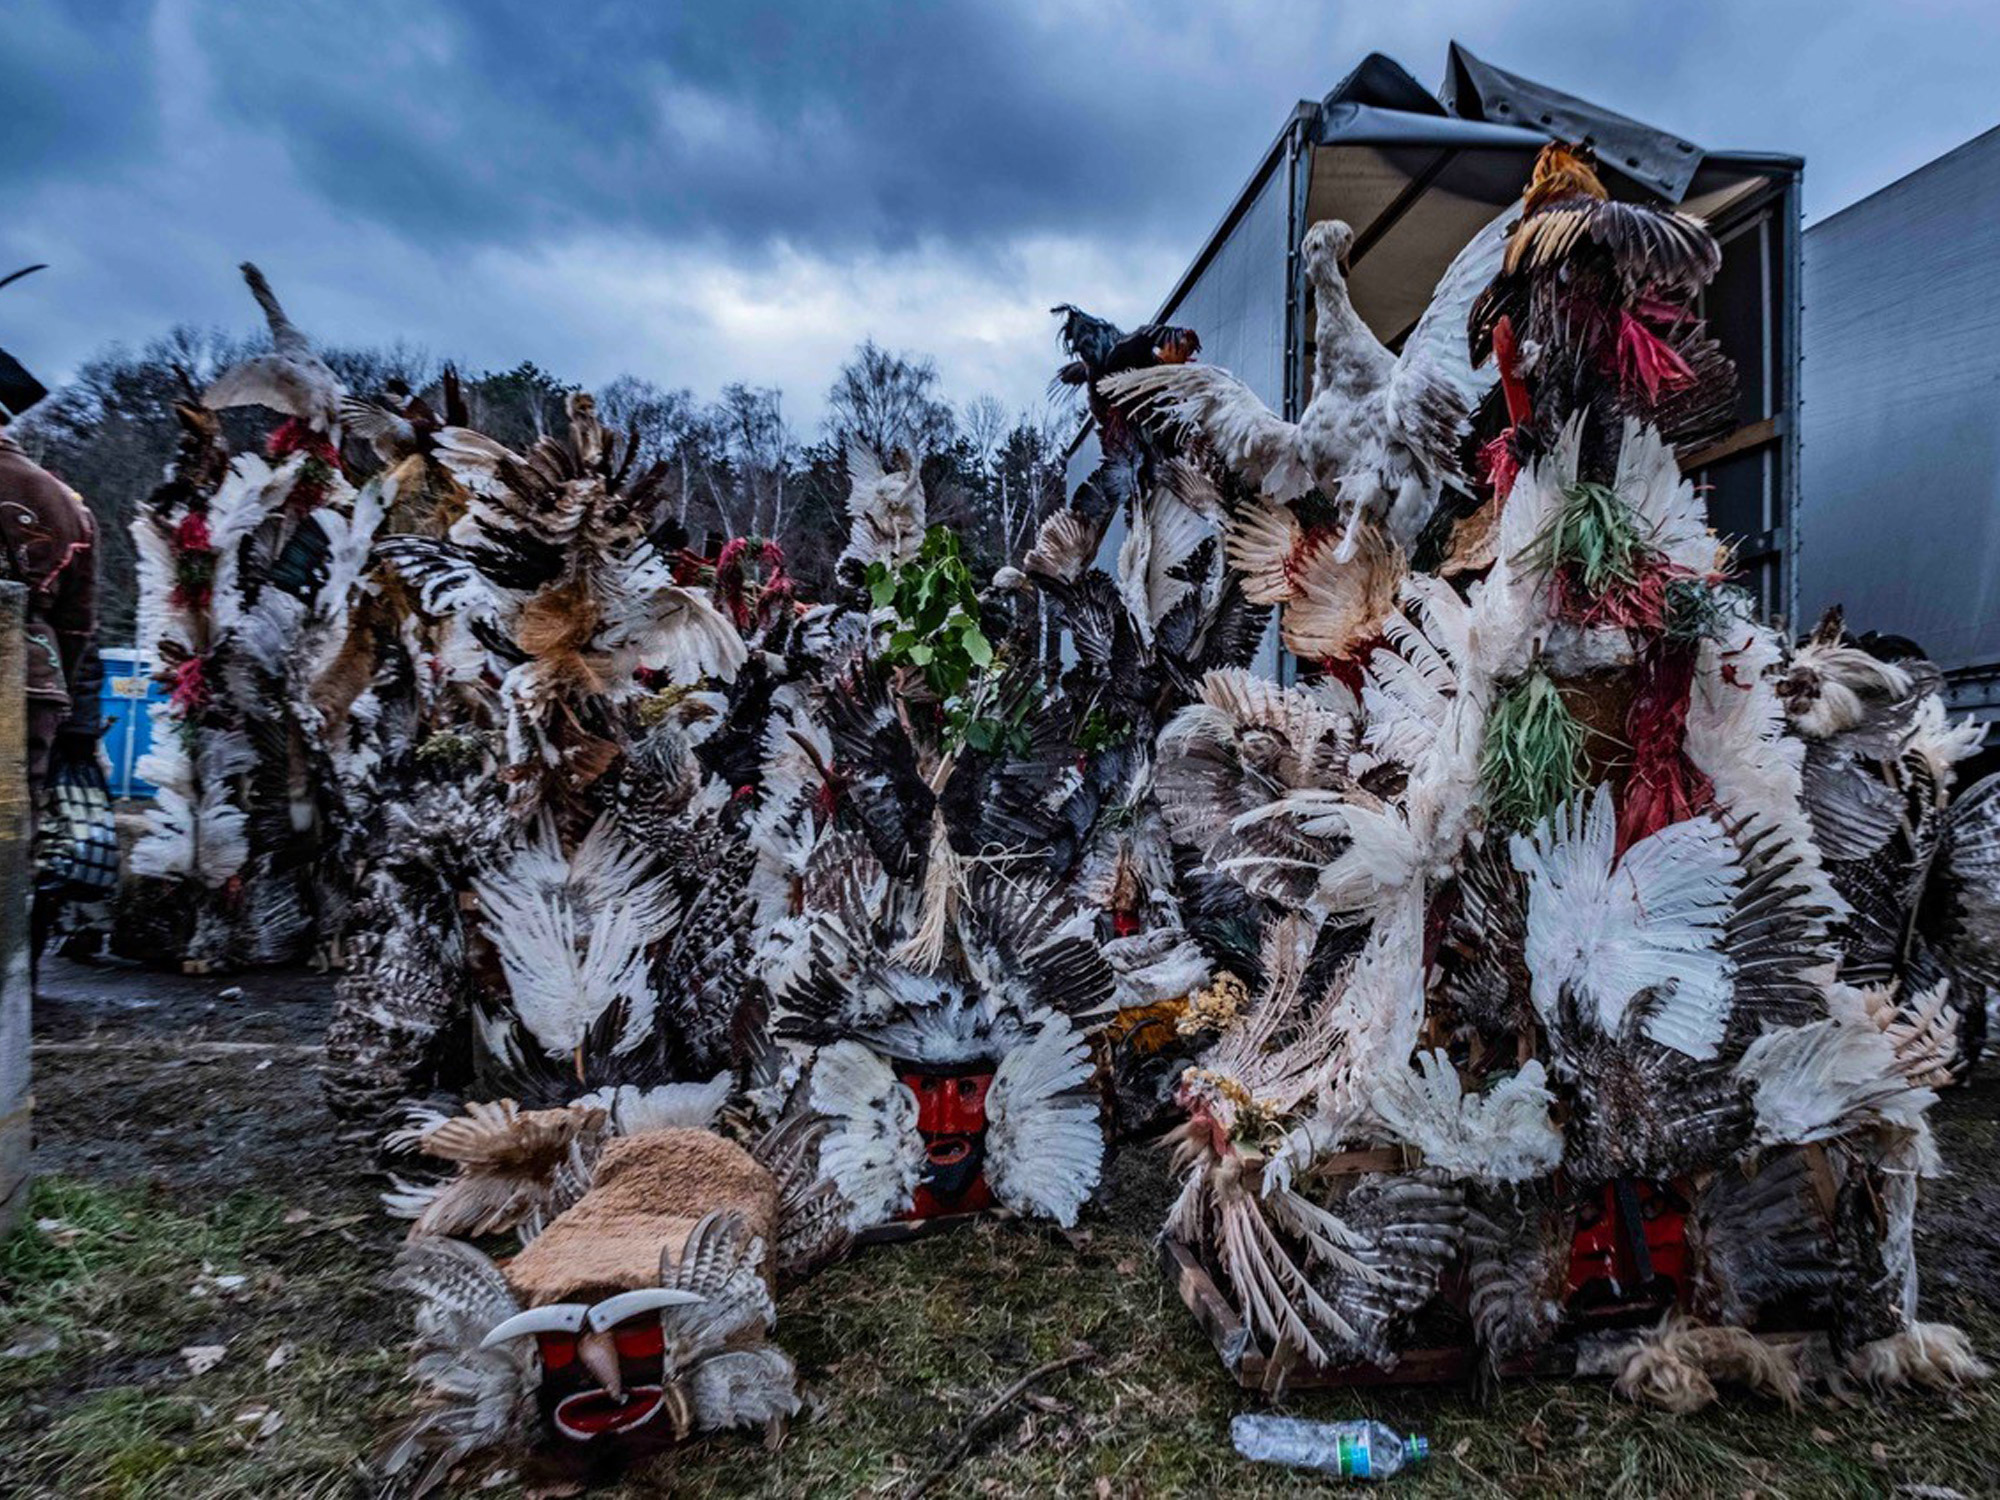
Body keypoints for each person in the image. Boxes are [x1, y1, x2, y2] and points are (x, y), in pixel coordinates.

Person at [0, 308, 104, 959]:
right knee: (12, 840)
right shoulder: (62, 500)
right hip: (29, 681)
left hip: (29, 680)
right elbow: (77, 622)